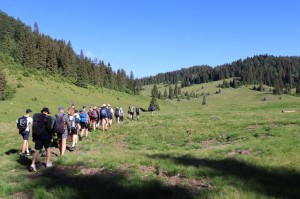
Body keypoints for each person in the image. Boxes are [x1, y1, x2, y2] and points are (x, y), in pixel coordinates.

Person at [30, 107, 53, 172]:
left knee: (37, 150)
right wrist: (51, 137)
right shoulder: (48, 118)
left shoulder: (36, 117)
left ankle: (32, 164)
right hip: (45, 137)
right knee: (48, 149)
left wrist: (33, 137)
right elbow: (49, 128)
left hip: (37, 137)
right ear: (47, 112)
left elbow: (33, 128)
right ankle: (48, 163)